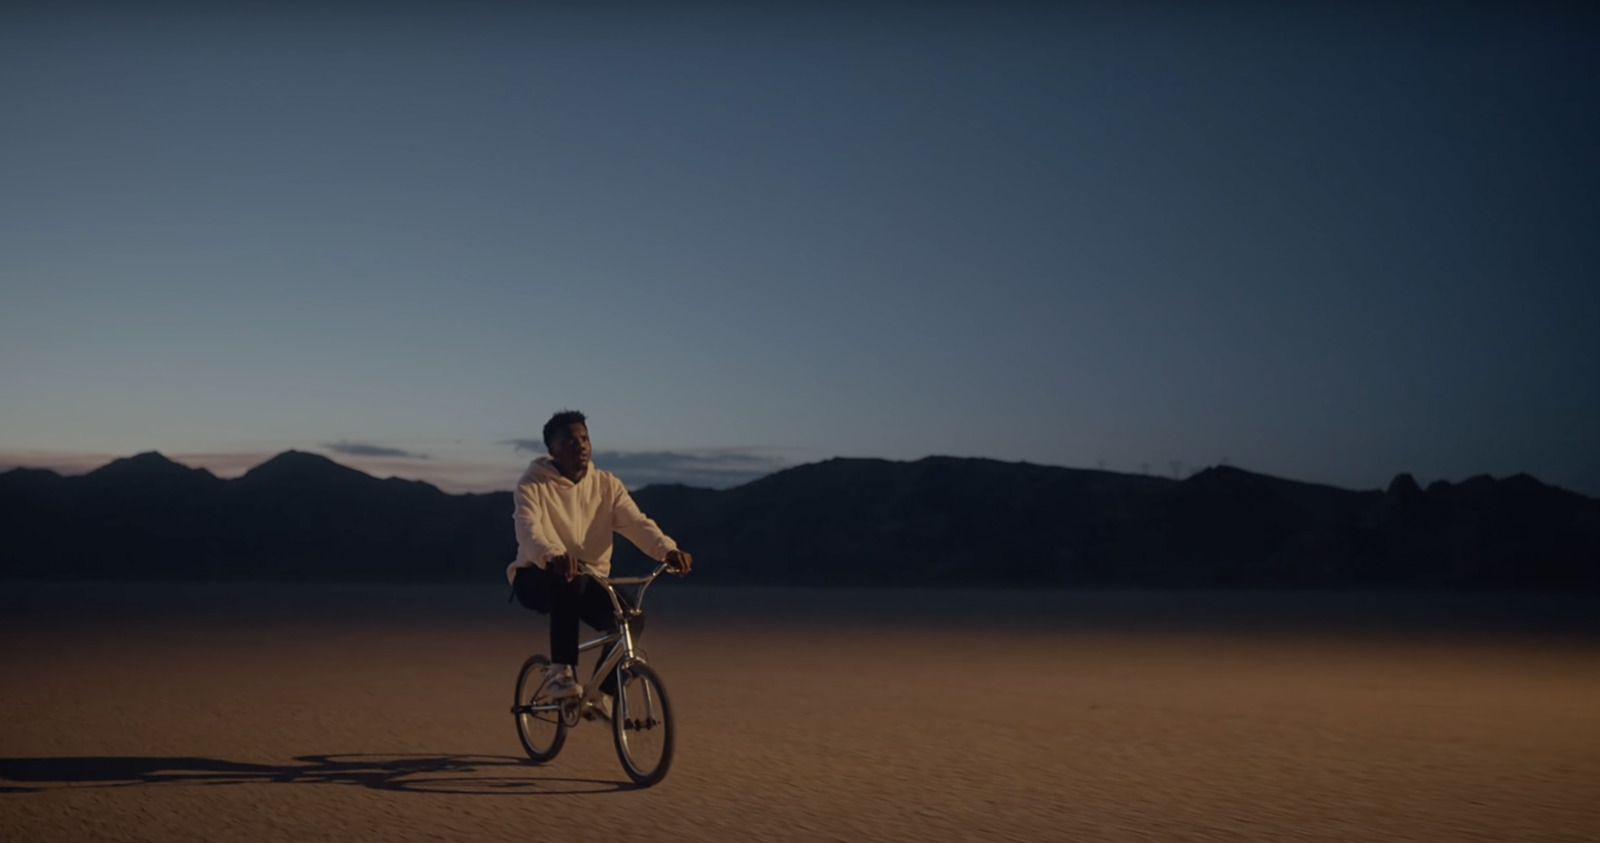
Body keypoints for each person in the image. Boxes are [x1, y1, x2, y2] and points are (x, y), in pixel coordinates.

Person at [507, 409, 693, 713]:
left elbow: (637, 523)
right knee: (569, 581)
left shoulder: (607, 485)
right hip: (536, 575)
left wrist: (667, 551)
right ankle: (560, 673)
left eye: (584, 438)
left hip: (590, 579)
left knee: (631, 618)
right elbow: (529, 530)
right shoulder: (532, 483)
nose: (580, 445)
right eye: (569, 440)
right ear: (551, 450)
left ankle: (601, 695)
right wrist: (554, 556)